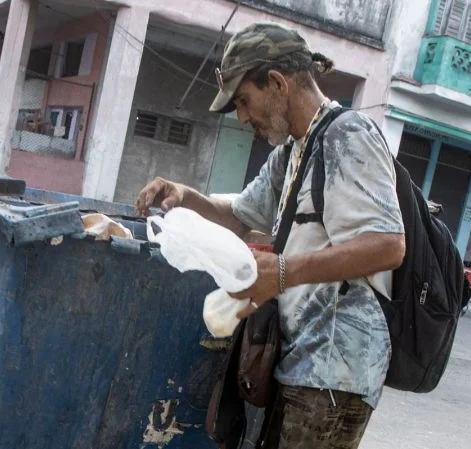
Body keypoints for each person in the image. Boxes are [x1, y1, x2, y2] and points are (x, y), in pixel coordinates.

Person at [135, 23, 405, 449]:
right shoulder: (293, 151)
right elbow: (240, 216)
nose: (243, 117)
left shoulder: (348, 135)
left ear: (277, 83)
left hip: (337, 370)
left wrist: (281, 271)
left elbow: (388, 244)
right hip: (299, 362)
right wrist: (185, 196)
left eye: (245, 100)